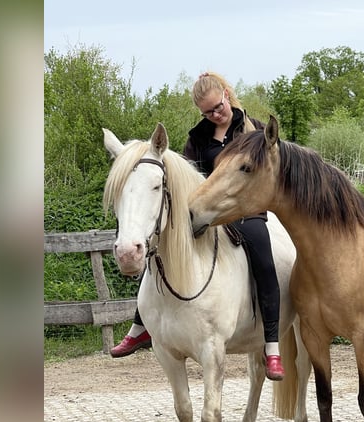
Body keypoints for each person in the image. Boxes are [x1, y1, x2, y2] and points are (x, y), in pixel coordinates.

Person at [110, 71, 285, 382]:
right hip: (207, 212)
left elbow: (267, 172)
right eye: (207, 111)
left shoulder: (254, 130)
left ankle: (272, 346)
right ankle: (141, 327)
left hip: (245, 211)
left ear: (227, 96)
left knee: (263, 258)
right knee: (160, 247)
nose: (214, 114)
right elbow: (188, 179)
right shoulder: (197, 138)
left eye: (218, 107)